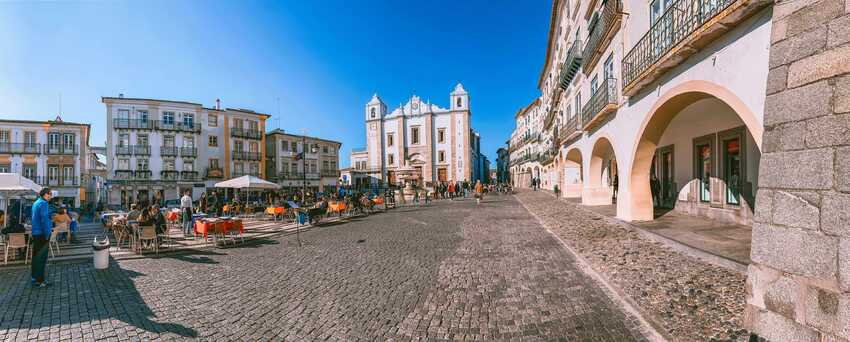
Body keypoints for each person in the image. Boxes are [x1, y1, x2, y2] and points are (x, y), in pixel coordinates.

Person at [31, 188, 53, 287]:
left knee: (36, 257)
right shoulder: (44, 204)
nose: (51, 196)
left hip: (35, 233)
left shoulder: (36, 203)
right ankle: (40, 281)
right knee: (41, 258)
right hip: (42, 234)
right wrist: (48, 233)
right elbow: (44, 219)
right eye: (50, 194)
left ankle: (34, 278)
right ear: (45, 194)